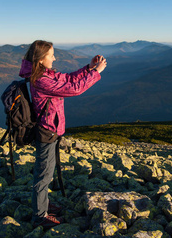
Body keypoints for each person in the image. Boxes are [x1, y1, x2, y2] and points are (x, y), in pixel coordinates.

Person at [19, 40, 107, 228]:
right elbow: (74, 89)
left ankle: (43, 205)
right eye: (51, 55)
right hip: (46, 132)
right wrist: (96, 73)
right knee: (43, 175)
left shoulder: (45, 74)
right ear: (41, 59)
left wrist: (88, 68)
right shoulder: (40, 79)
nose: (54, 58)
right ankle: (39, 216)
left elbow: (68, 79)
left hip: (51, 129)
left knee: (47, 171)